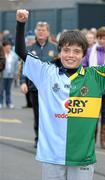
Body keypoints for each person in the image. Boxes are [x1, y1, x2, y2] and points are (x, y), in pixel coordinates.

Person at [15, 9, 105, 180]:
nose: (71, 55)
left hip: (82, 157)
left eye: (76, 51)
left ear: (83, 55)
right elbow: (21, 51)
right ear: (59, 51)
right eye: (67, 50)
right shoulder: (46, 73)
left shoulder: (96, 77)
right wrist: (20, 23)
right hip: (52, 156)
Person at [20, 19, 58, 148]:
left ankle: (50, 138)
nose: (41, 32)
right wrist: (22, 82)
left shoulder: (54, 48)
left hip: (52, 89)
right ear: (36, 32)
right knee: (38, 114)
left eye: (43, 30)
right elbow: (24, 67)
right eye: (39, 30)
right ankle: (38, 138)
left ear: (48, 33)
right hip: (35, 88)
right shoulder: (30, 48)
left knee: (51, 114)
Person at [82, 26, 105, 149]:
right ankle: (92, 140)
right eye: (99, 38)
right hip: (94, 88)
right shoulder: (90, 51)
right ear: (96, 38)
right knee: (93, 114)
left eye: (104, 38)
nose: (102, 40)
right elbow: (84, 65)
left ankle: (103, 140)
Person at [0, 41, 18, 109]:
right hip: (2, 75)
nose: (8, 48)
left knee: (8, 90)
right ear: (4, 47)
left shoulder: (14, 55)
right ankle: (1, 102)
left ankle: (9, 102)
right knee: (1, 89)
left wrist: (15, 74)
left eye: (9, 47)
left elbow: (16, 65)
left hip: (10, 75)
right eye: (7, 47)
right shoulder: (2, 54)